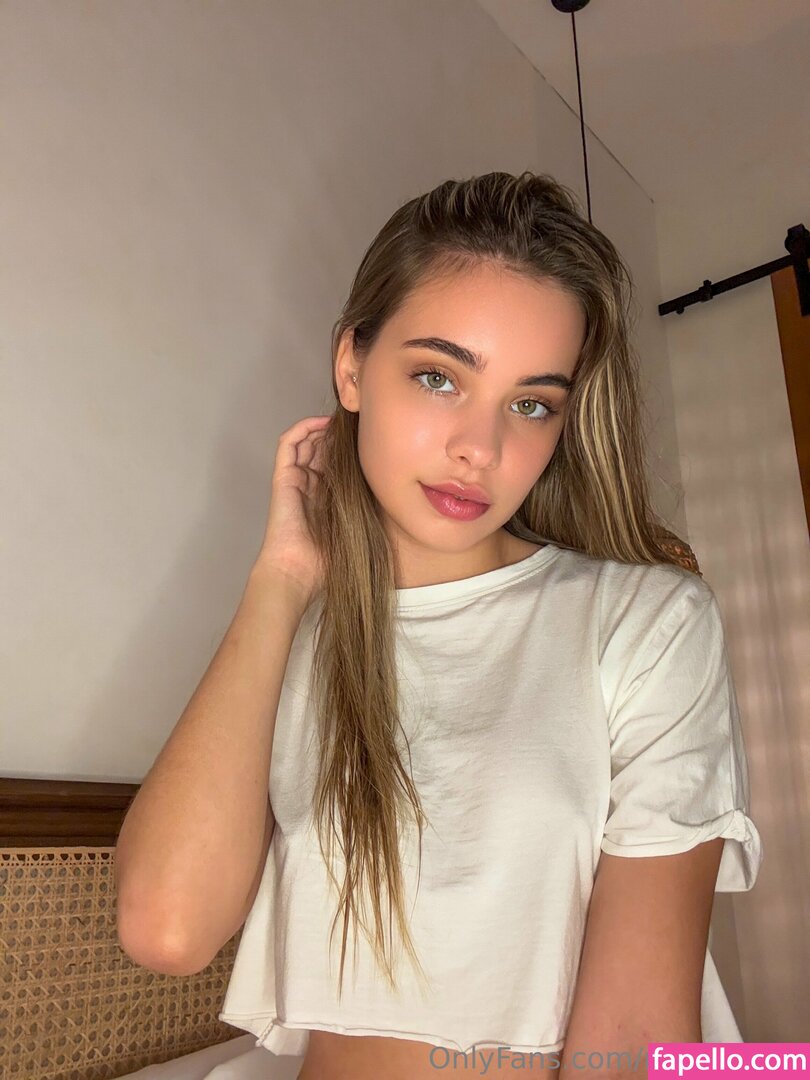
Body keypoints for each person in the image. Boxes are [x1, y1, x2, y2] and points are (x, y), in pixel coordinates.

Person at [115, 172, 762, 1080]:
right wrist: (280, 581)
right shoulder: (293, 640)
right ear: (351, 367)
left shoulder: (643, 623)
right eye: (438, 377)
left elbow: (631, 1039)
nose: (480, 449)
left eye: (531, 403)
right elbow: (167, 928)